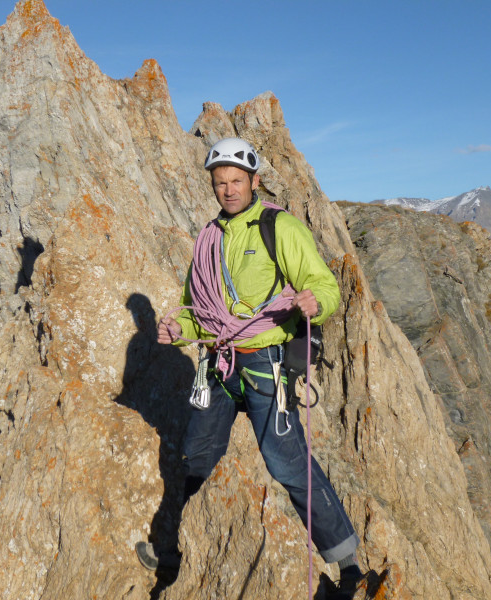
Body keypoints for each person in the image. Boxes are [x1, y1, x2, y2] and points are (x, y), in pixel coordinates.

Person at [137, 138, 362, 598]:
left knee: (288, 463)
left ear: (254, 181)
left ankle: (348, 566)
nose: (228, 189)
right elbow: (194, 305)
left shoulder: (279, 228)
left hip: (265, 362)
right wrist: (176, 327)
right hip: (221, 362)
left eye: (236, 181)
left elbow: (323, 283)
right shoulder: (209, 237)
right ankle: (175, 553)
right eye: (220, 182)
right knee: (196, 455)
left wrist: (314, 301)